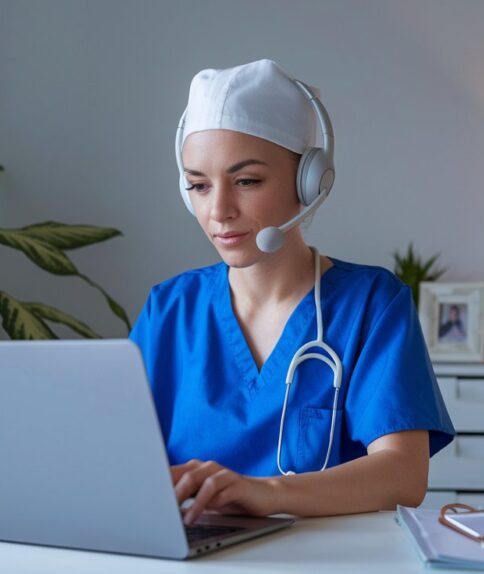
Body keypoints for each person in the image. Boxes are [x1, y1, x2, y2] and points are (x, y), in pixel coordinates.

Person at [128, 59, 455, 526]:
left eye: (246, 181)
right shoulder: (169, 310)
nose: (218, 210)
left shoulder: (371, 304)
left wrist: (265, 493)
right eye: (199, 185)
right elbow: (118, 460)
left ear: (309, 182)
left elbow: (403, 475)